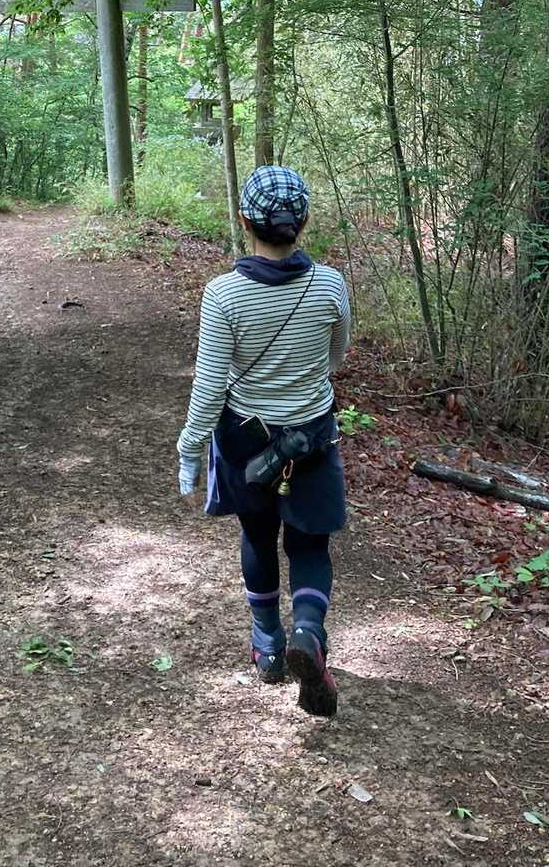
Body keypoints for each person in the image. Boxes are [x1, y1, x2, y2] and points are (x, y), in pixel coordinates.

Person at [175, 165, 351, 717]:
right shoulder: (330, 284)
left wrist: (189, 449)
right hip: (312, 436)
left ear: (245, 220)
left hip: (247, 441)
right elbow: (336, 355)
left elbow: (210, 385)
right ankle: (309, 632)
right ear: (303, 221)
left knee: (257, 533)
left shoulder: (223, 294)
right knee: (310, 544)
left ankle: (268, 646)